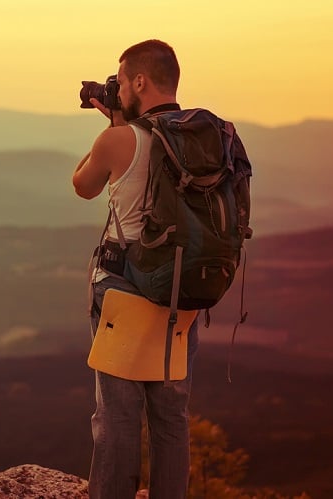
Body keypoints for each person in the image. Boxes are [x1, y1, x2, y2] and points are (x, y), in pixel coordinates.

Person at [72, 39, 199, 499]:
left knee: (118, 415)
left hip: (124, 289)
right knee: (171, 415)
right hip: (183, 289)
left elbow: (82, 185)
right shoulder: (206, 137)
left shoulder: (119, 138)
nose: (118, 88)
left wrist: (113, 126)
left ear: (139, 81)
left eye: (122, 80)